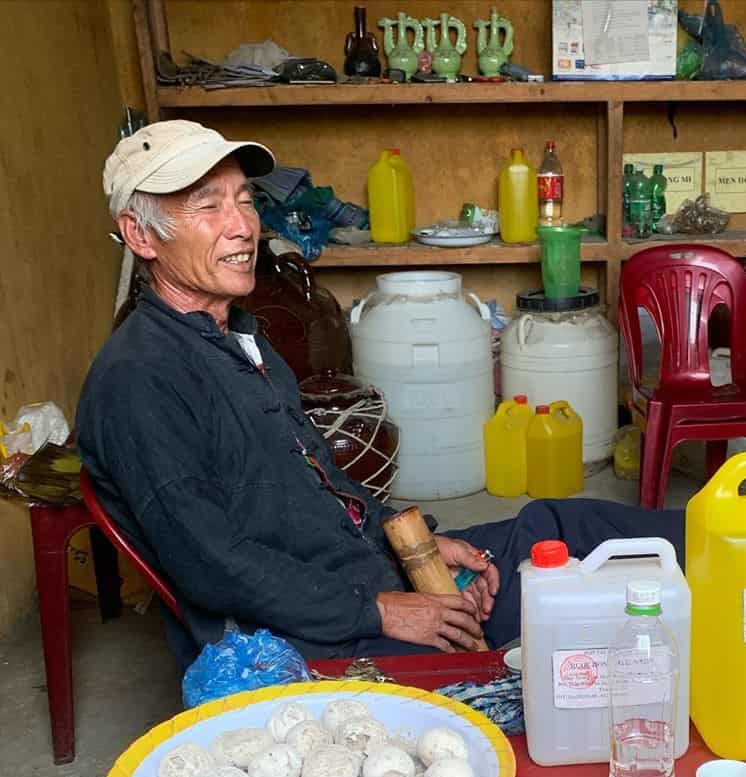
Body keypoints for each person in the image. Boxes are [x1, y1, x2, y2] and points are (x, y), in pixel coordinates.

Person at [77, 121, 686, 669]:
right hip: (316, 635)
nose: (242, 226)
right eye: (208, 207)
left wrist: (411, 541)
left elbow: (321, 479)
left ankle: (744, 537)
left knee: (560, 524)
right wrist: (386, 611)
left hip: (365, 572)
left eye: (243, 201)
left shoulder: (237, 337)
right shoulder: (141, 379)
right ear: (141, 236)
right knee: (567, 594)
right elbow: (211, 565)